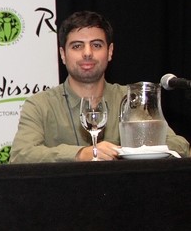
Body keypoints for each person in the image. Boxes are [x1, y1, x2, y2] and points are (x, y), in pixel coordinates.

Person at [10, 11, 189, 163]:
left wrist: (129, 150)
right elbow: (20, 156)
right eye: (77, 46)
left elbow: (181, 147)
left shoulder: (132, 100)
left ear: (110, 52)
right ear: (63, 54)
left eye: (96, 45)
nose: (87, 53)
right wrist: (80, 154)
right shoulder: (40, 105)